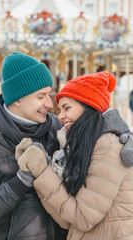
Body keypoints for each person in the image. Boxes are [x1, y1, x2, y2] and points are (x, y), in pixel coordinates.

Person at [15, 72, 133, 240]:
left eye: (67, 108)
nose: (60, 116)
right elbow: (68, 221)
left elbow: (83, 218)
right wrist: (40, 171)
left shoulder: (107, 146)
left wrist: (42, 172)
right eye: (59, 110)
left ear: (89, 106)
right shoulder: (84, 146)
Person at [0, 52, 68, 240]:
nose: (49, 103)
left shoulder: (56, 127)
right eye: (41, 96)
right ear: (17, 99)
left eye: (49, 94)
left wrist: (112, 136)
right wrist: (20, 182)